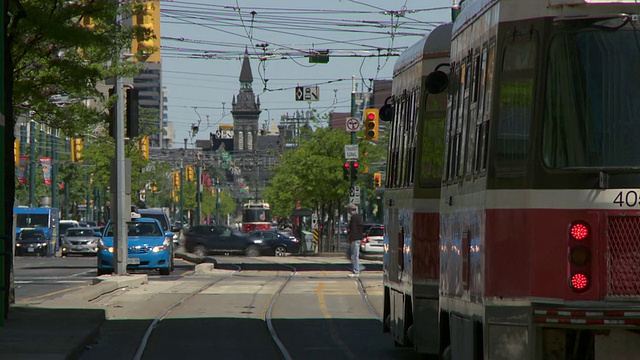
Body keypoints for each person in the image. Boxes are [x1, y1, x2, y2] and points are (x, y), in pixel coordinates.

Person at [347, 203, 364, 276]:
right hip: (358, 238)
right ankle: (357, 268)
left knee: (354, 255)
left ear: (350, 210)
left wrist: (350, 238)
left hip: (355, 238)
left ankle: (356, 270)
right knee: (352, 254)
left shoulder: (354, 218)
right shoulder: (359, 217)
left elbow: (353, 229)